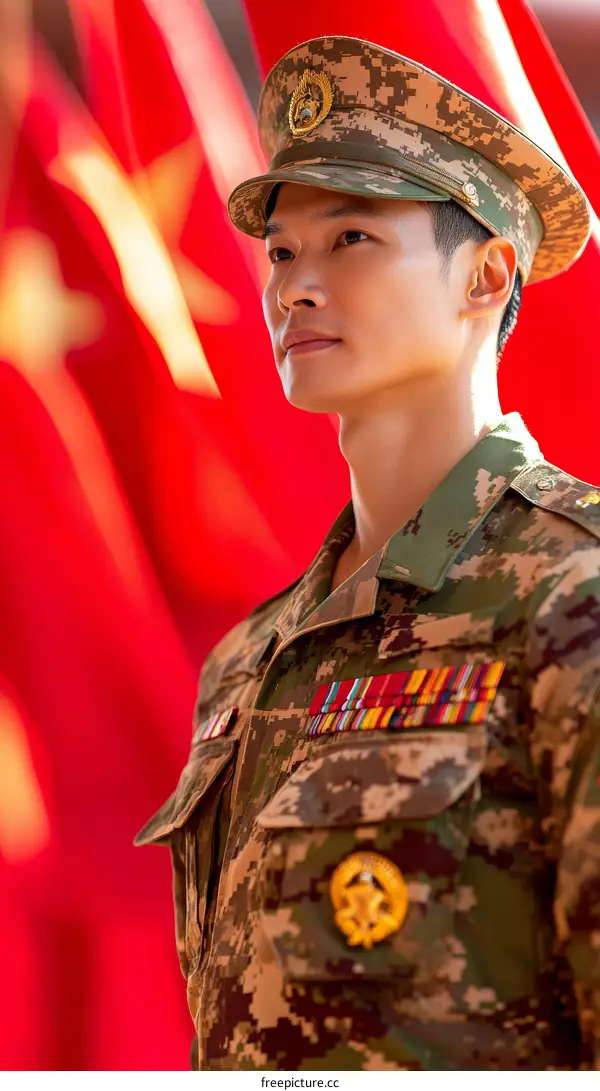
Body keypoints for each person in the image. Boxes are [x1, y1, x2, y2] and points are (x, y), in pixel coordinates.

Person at [134, 35, 600, 1070]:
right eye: (282, 252)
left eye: (350, 237)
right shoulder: (252, 660)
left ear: (486, 273)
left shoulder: (574, 602)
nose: (295, 286)